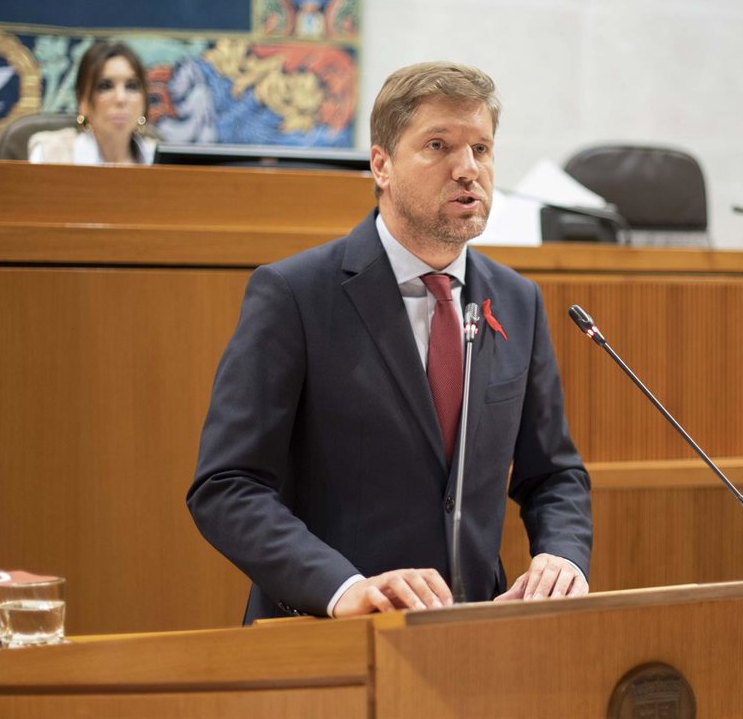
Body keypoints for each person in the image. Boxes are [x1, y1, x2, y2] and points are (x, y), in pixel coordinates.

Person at [187, 62, 593, 620]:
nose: (468, 170)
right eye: (438, 145)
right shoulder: (295, 293)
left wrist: (562, 555)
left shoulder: (516, 301)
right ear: (381, 164)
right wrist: (341, 587)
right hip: (328, 634)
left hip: (474, 633)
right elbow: (226, 485)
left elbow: (553, 474)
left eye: (481, 149)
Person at [28, 41, 155, 165]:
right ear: (82, 101)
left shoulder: (158, 158)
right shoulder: (50, 154)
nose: (121, 99)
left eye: (132, 86)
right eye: (105, 86)